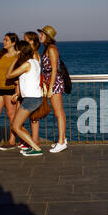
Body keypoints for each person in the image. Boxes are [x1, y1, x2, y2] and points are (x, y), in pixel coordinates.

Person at [5, 41, 43, 156]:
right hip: (34, 98)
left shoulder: (27, 64)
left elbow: (8, 75)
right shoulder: (35, 62)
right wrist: (19, 94)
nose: (16, 52)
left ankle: (36, 148)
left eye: (17, 50)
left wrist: (15, 59)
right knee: (18, 125)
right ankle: (33, 146)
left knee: (15, 126)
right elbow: (29, 81)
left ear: (21, 51)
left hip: (31, 100)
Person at [38, 25, 67, 153]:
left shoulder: (52, 49)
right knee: (58, 112)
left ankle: (61, 142)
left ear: (48, 37)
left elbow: (54, 69)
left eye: (42, 34)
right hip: (51, 81)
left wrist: (50, 88)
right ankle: (62, 139)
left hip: (54, 82)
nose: (40, 36)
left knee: (58, 112)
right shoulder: (47, 49)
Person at [16, 31, 42, 150]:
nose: (23, 41)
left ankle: (34, 142)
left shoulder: (34, 55)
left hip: (32, 91)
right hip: (27, 91)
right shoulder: (29, 54)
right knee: (25, 118)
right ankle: (28, 141)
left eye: (25, 39)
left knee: (33, 118)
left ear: (31, 41)